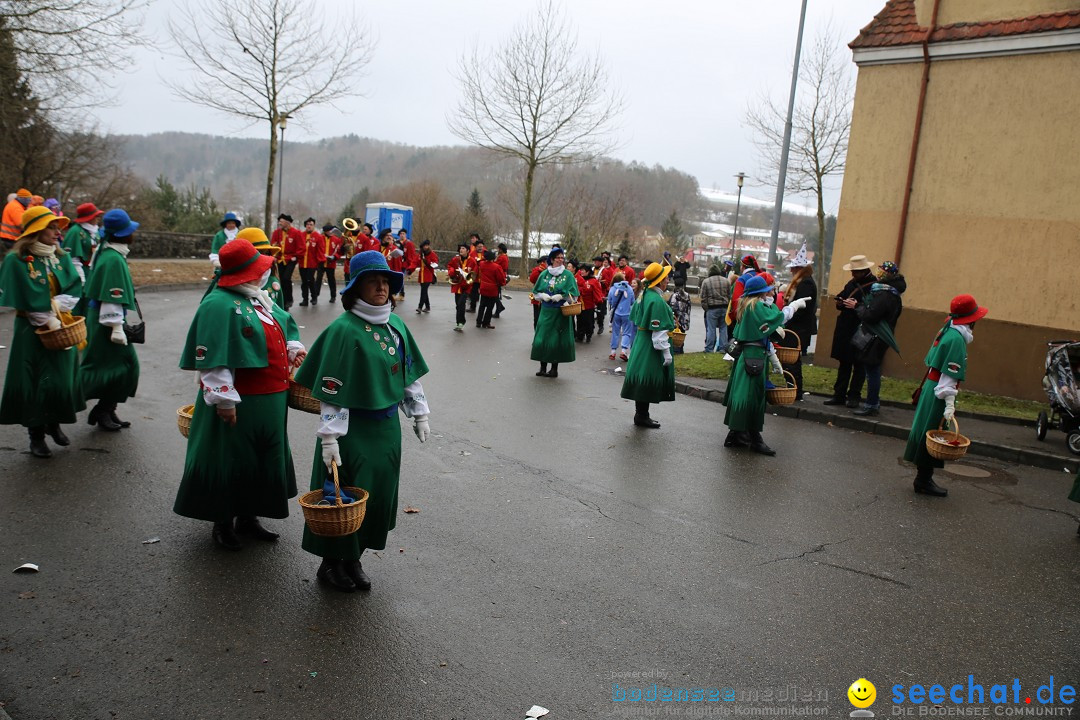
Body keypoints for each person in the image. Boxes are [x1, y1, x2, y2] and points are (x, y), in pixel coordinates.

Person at [294, 250, 431, 592]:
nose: (382, 288)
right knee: (342, 498)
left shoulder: (396, 325)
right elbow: (332, 392)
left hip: (386, 432)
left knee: (376, 496)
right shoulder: (344, 331)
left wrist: (419, 413)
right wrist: (329, 438)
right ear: (356, 288)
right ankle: (332, 564)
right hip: (351, 432)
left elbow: (408, 375)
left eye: (386, 281)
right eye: (373, 281)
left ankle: (354, 559)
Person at [174, 238, 307, 549]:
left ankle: (249, 517)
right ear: (242, 273)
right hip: (240, 399)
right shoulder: (217, 304)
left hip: (272, 398)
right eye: (257, 268)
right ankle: (222, 523)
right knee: (230, 458)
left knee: (258, 459)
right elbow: (214, 359)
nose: (264, 273)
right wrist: (223, 399)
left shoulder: (256, 298)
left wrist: (291, 348)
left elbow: (280, 326)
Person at [0, 206, 85, 458]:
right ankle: (35, 434)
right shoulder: (16, 261)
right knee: (35, 380)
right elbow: (22, 297)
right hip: (31, 330)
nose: (57, 231)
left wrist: (59, 307)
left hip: (61, 325)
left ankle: (54, 422)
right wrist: (44, 317)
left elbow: (74, 287)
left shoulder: (61, 257)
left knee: (59, 378)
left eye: (57, 226)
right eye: (51, 226)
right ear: (36, 230)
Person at [903, 295, 988, 497]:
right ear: (970, 319)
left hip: (932, 387)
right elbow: (949, 375)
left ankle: (923, 478)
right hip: (939, 391)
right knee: (934, 432)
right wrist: (949, 402)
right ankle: (923, 480)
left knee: (926, 429)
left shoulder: (947, 329)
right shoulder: (957, 340)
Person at [723, 274, 809, 456]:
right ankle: (755, 440)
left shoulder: (746, 306)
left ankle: (736, 434)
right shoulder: (757, 307)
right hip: (754, 360)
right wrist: (793, 306)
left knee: (743, 396)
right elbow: (779, 317)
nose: (770, 292)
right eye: (767, 289)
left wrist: (774, 359)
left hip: (745, 358)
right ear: (760, 293)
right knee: (753, 398)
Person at [80, 209, 141, 431]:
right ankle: (89, 407)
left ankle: (106, 409)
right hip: (106, 322)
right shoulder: (112, 258)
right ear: (124, 234)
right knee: (118, 368)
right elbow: (110, 295)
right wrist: (116, 327)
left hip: (106, 320)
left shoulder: (110, 253)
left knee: (121, 368)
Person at [620, 262, 677, 428]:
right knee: (647, 378)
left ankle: (641, 414)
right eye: (666, 278)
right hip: (650, 347)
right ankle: (642, 416)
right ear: (659, 281)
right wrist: (667, 353)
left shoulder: (644, 295)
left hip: (642, 342)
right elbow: (659, 333)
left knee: (642, 379)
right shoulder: (655, 300)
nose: (668, 280)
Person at [853, 261, 906, 416]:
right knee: (872, 369)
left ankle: (871, 404)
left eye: (882, 271)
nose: (879, 273)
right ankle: (872, 403)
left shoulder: (885, 294)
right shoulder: (892, 293)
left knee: (872, 370)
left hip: (876, 337)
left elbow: (871, 315)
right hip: (878, 336)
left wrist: (859, 307)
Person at [826, 255, 876, 407]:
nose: (852, 274)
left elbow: (873, 308)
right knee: (844, 363)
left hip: (861, 330)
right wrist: (841, 302)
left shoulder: (873, 286)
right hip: (846, 329)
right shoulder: (852, 283)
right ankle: (839, 394)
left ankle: (854, 396)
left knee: (859, 365)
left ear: (863, 271)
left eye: (855, 272)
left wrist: (857, 305)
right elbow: (842, 297)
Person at [531, 247, 579, 378]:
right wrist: (542, 295)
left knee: (556, 340)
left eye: (562, 258)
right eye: (557, 257)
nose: (560, 260)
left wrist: (562, 297)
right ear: (551, 259)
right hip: (546, 311)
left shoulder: (568, 275)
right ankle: (542, 367)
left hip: (560, 312)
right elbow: (535, 293)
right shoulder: (545, 274)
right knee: (542, 338)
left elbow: (574, 296)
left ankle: (554, 369)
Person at [778, 245, 817, 400]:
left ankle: (795, 390)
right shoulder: (804, 282)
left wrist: (788, 317)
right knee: (791, 360)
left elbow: (802, 309)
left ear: (799, 268)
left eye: (793, 268)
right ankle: (793, 388)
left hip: (798, 329)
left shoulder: (805, 284)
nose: (791, 271)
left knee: (792, 361)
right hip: (798, 327)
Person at [239, 227, 285, 307]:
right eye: (258, 254)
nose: (263, 259)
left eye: (266, 253)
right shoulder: (228, 286)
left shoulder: (272, 282)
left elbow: (280, 314)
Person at [63, 202, 104, 282]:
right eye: (96, 216)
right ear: (89, 218)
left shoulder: (95, 231)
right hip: (81, 273)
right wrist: (81, 279)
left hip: (92, 272)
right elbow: (72, 259)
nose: (98, 218)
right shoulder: (75, 231)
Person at [270, 214, 304, 310]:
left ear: (288, 222)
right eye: (279, 221)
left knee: (286, 278)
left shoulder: (296, 233)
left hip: (291, 260)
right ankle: (284, 301)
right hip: (280, 260)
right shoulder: (277, 233)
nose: (279, 223)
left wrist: (295, 256)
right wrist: (274, 254)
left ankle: (289, 299)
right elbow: (272, 245)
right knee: (281, 280)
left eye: (281, 221)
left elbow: (301, 248)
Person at [699, 263, 731, 353]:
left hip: (712, 308)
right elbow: (729, 295)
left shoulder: (706, 281)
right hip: (724, 308)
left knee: (711, 329)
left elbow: (703, 297)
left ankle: (709, 348)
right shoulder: (726, 281)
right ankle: (723, 348)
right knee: (723, 328)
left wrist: (706, 308)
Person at [446, 243, 476, 331]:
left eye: (463, 248)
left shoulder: (472, 261)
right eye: (460, 248)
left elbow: (474, 275)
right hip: (457, 285)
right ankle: (458, 322)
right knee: (458, 305)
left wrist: (468, 280)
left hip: (466, 287)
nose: (461, 250)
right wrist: (452, 271)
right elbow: (450, 266)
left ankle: (461, 322)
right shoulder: (455, 259)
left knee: (461, 303)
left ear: (467, 250)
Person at [726, 254, 761, 327]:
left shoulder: (742, 279)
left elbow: (736, 301)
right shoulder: (761, 276)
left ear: (742, 266)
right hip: (760, 316)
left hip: (745, 318)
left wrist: (734, 317)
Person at [296, 218, 325, 306]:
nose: (309, 226)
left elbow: (321, 250)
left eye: (311, 224)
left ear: (314, 226)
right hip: (302, 263)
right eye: (308, 224)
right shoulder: (301, 235)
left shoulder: (318, 236)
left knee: (310, 281)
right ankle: (305, 299)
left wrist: (320, 262)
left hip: (312, 264)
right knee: (304, 282)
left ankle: (314, 297)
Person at [476, 249, 506, 329]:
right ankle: (486, 322)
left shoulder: (482, 264)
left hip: (483, 287)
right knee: (490, 307)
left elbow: (480, 262)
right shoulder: (496, 267)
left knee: (482, 305)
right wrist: (503, 283)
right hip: (492, 289)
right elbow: (500, 279)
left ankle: (478, 322)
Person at [607, 272, 634, 361]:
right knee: (626, 332)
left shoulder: (612, 289)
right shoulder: (629, 288)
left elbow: (610, 301)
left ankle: (613, 352)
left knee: (615, 332)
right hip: (627, 314)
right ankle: (623, 351)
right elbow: (632, 301)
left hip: (617, 313)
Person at [574, 264, 603, 343]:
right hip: (579, 304)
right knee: (579, 321)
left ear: (588, 271)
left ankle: (588, 335)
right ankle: (580, 336)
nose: (582, 272)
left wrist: (599, 303)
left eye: (583, 270)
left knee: (588, 321)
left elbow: (597, 293)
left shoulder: (593, 281)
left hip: (589, 305)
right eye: (581, 270)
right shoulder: (578, 279)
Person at [318, 224, 344, 303]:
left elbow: (339, 251)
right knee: (318, 279)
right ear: (325, 231)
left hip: (331, 263)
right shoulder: (320, 238)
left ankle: (333, 296)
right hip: (321, 262)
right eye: (329, 231)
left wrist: (334, 257)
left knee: (331, 280)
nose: (330, 232)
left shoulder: (336, 240)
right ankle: (315, 295)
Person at [668, 280, 691, 354]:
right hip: (684, 321)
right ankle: (680, 352)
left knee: (675, 341)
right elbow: (688, 308)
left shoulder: (675, 295)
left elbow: (672, 308)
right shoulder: (687, 295)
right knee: (681, 339)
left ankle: (676, 354)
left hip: (676, 321)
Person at [415, 240, 438, 314]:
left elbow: (435, 263)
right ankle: (427, 306)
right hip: (422, 275)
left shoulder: (432, 254)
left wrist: (427, 261)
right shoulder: (421, 254)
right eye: (424, 246)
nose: (426, 247)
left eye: (427, 245)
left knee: (423, 291)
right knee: (424, 291)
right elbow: (417, 262)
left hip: (428, 275)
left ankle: (420, 307)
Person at [528, 256, 548, 328]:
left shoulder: (550, 271)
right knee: (536, 317)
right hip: (537, 298)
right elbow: (532, 279)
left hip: (547, 298)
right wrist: (539, 271)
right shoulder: (536, 270)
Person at [467, 236, 485, 313]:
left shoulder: (486, 253)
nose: (480, 248)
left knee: (484, 294)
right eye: (478, 247)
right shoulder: (472, 254)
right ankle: (472, 307)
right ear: (476, 247)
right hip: (475, 277)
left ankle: (483, 308)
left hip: (484, 277)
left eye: (481, 246)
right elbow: (469, 263)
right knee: (473, 292)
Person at [493, 243, 510, 319]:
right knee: (496, 294)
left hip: (499, 276)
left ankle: (499, 307)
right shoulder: (505, 257)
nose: (497, 250)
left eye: (498, 249)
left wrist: (495, 259)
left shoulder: (501, 258)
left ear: (501, 249)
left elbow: (494, 265)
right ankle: (498, 310)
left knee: (495, 295)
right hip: (502, 276)